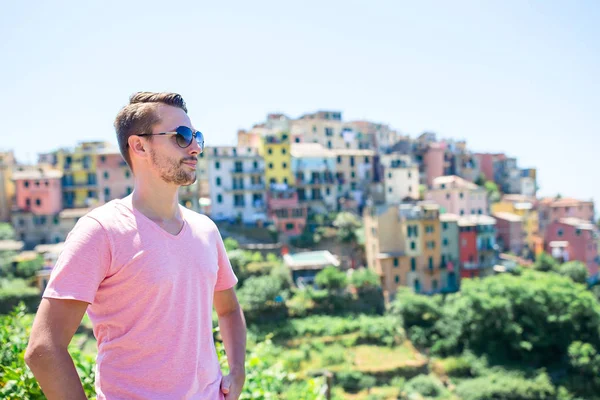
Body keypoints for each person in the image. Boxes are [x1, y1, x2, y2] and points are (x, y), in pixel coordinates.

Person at [25, 92, 246, 399]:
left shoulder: (206, 229)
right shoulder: (101, 231)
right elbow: (43, 348)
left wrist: (237, 371)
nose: (195, 147)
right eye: (181, 136)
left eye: (196, 136)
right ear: (139, 145)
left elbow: (229, 310)